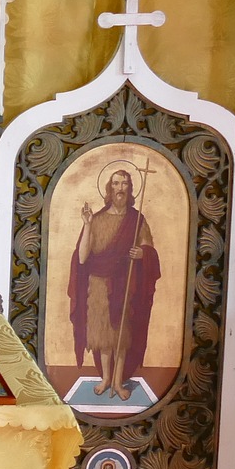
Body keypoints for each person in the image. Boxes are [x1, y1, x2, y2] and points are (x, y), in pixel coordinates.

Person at [69, 167, 160, 401]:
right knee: (104, 338)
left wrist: (142, 253)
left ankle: (118, 383)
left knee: (121, 337)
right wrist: (87, 224)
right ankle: (106, 379)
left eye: (125, 184)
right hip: (98, 286)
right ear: (109, 188)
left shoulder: (137, 220)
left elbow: (149, 249)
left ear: (130, 189)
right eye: (116, 184)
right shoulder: (97, 219)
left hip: (125, 284)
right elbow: (81, 257)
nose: (120, 188)